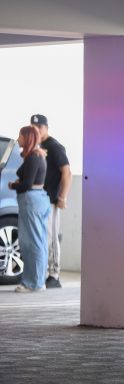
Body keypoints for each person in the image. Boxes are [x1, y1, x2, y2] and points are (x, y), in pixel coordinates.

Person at [30, 114, 72, 289]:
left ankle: (54, 275)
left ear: (46, 127)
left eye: (40, 127)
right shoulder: (37, 147)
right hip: (38, 200)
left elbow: (67, 173)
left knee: (51, 237)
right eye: (34, 127)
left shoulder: (55, 147)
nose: (37, 130)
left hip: (51, 200)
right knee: (39, 238)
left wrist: (62, 197)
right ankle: (41, 273)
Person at [8, 125, 51, 293]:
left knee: (31, 243)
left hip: (31, 200)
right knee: (36, 242)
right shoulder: (34, 156)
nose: (18, 139)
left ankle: (34, 283)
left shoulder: (34, 157)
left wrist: (13, 185)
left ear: (28, 138)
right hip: (36, 199)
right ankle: (36, 281)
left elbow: (26, 183)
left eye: (20, 136)